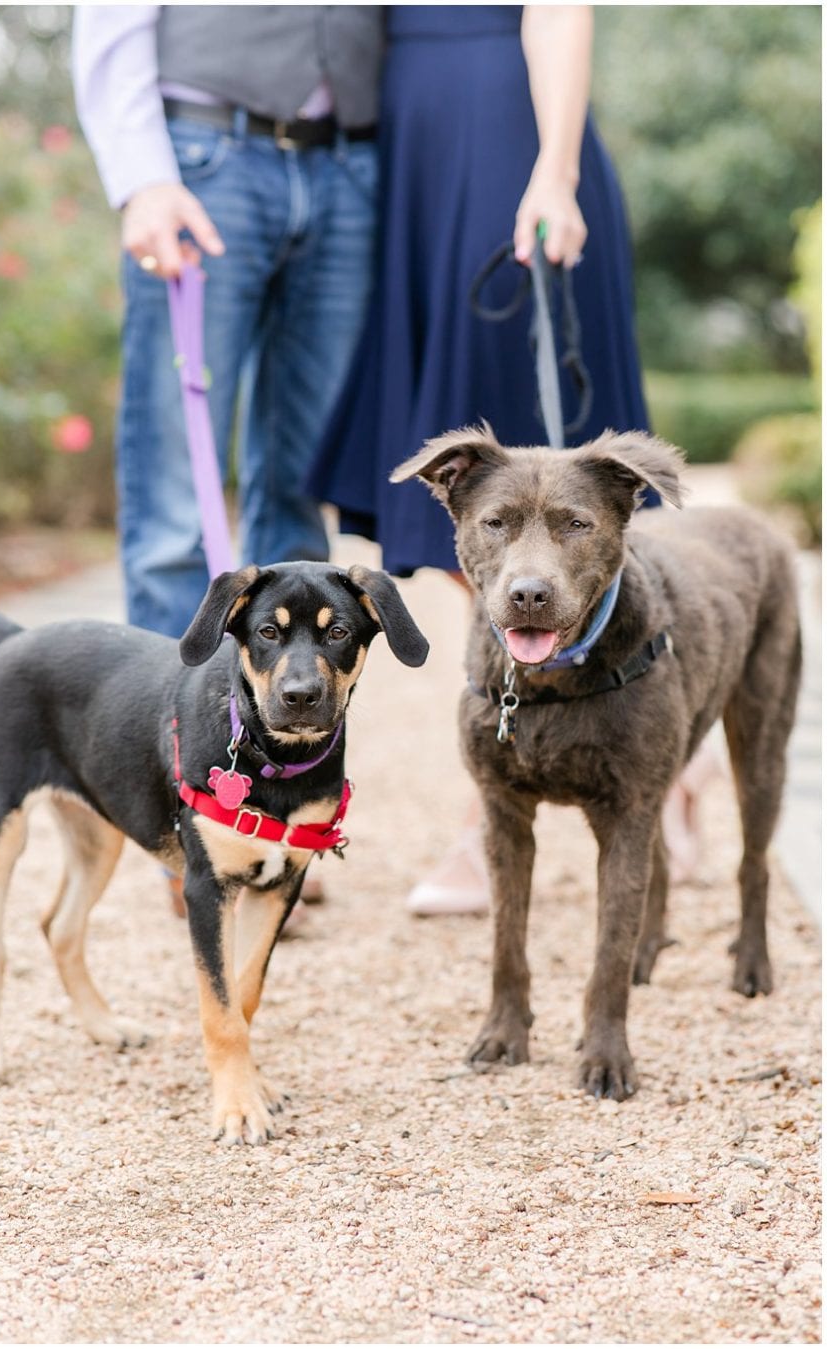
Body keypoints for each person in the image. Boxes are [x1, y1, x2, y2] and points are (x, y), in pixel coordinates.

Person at [305, 5, 664, 913]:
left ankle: (513, 806)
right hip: (414, 149)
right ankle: (520, 789)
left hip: (507, 132)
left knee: (544, 484)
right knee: (477, 503)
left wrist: (554, 167)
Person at [73, 5, 386, 638]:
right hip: (205, 157)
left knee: (302, 481)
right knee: (175, 490)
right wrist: (143, 179)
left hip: (349, 163)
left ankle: (284, 716)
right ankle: (171, 719)